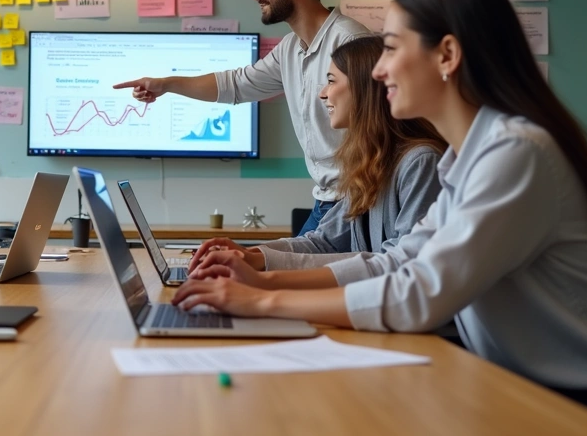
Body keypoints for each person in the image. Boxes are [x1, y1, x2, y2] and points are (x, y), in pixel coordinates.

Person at [173, 0, 587, 428]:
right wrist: (264, 280)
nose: (379, 71)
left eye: (391, 49)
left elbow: (421, 294)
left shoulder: (515, 153)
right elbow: (403, 260)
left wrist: (265, 300)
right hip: (534, 385)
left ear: (447, 56)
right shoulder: (470, 155)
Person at [114, 0, 372, 233]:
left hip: (355, 203)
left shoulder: (351, 42)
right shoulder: (291, 48)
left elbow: (381, 130)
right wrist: (166, 84)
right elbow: (236, 85)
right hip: (326, 201)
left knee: (281, 274)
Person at [188, 35, 444, 272]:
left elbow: (398, 264)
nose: (322, 93)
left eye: (331, 81)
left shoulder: (420, 162)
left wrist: (259, 264)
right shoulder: (370, 162)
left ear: (366, 88)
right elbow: (324, 242)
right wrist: (252, 254)